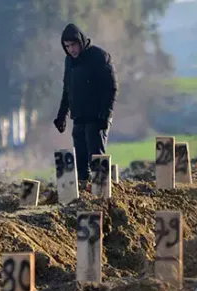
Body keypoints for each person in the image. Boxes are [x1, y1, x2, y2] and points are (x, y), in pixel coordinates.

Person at [53, 23, 118, 190]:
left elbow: (111, 87)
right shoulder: (69, 61)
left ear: (81, 42)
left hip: (97, 118)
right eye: (67, 46)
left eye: (73, 45)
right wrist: (62, 116)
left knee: (96, 159)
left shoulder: (99, 56)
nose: (71, 50)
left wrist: (107, 113)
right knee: (80, 162)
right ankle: (84, 195)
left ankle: (102, 195)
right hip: (79, 117)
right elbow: (67, 89)